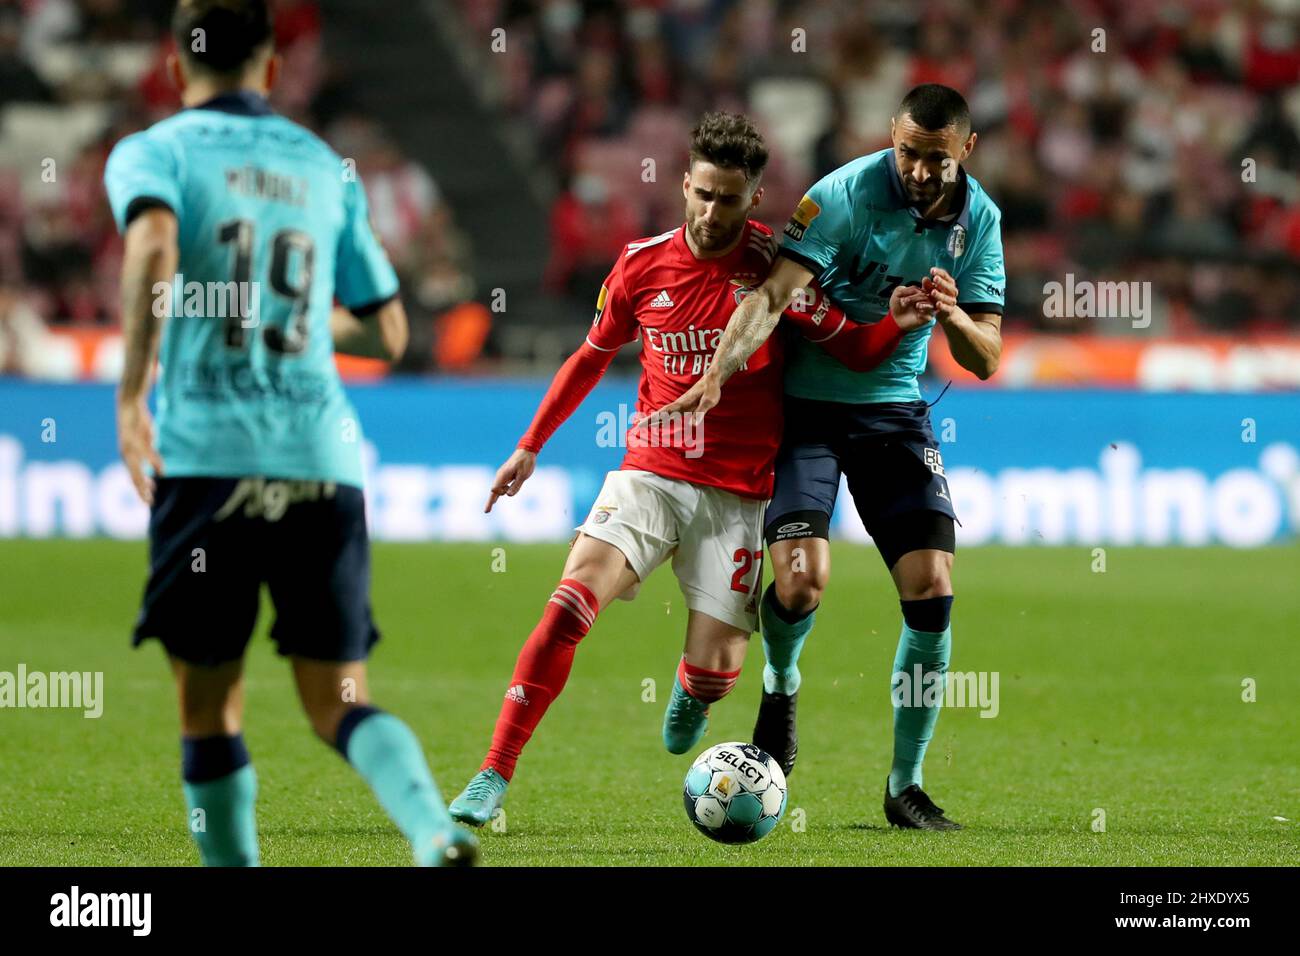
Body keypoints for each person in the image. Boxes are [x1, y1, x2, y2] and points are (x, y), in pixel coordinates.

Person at [448, 111, 933, 826]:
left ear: (753, 199)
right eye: (701, 194)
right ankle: (492, 775)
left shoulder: (777, 273)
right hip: (649, 473)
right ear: (683, 184)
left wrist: (900, 319)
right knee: (568, 606)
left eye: (728, 199)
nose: (711, 213)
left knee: (715, 675)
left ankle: (693, 688)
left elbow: (857, 351)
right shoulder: (640, 264)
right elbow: (589, 359)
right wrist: (531, 444)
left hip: (737, 497)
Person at [104, 0, 474, 866]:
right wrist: (302, 324)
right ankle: (429, 828)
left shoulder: (153, 152)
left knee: (208, 706)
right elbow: (387, 333)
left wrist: (128, 400)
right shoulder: (322, 166)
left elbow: (154, 247)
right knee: (339, 700)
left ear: (172, 66)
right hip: (322, 461)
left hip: (208, 460)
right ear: (272, 69)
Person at [652, 85, 1006, 830]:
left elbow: (985, 358)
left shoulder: (981, 223)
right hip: (806, 413)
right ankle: (781, 684)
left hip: (893, 415)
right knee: (804, 584)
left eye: (936, 158)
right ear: (892, 136)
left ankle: (904, 784)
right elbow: (773, 295)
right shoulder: (840, 196)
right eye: (908, 150)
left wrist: (951, 316)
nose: (918, 169)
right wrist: (717, 373)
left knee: (933, 587)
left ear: (965, 151)